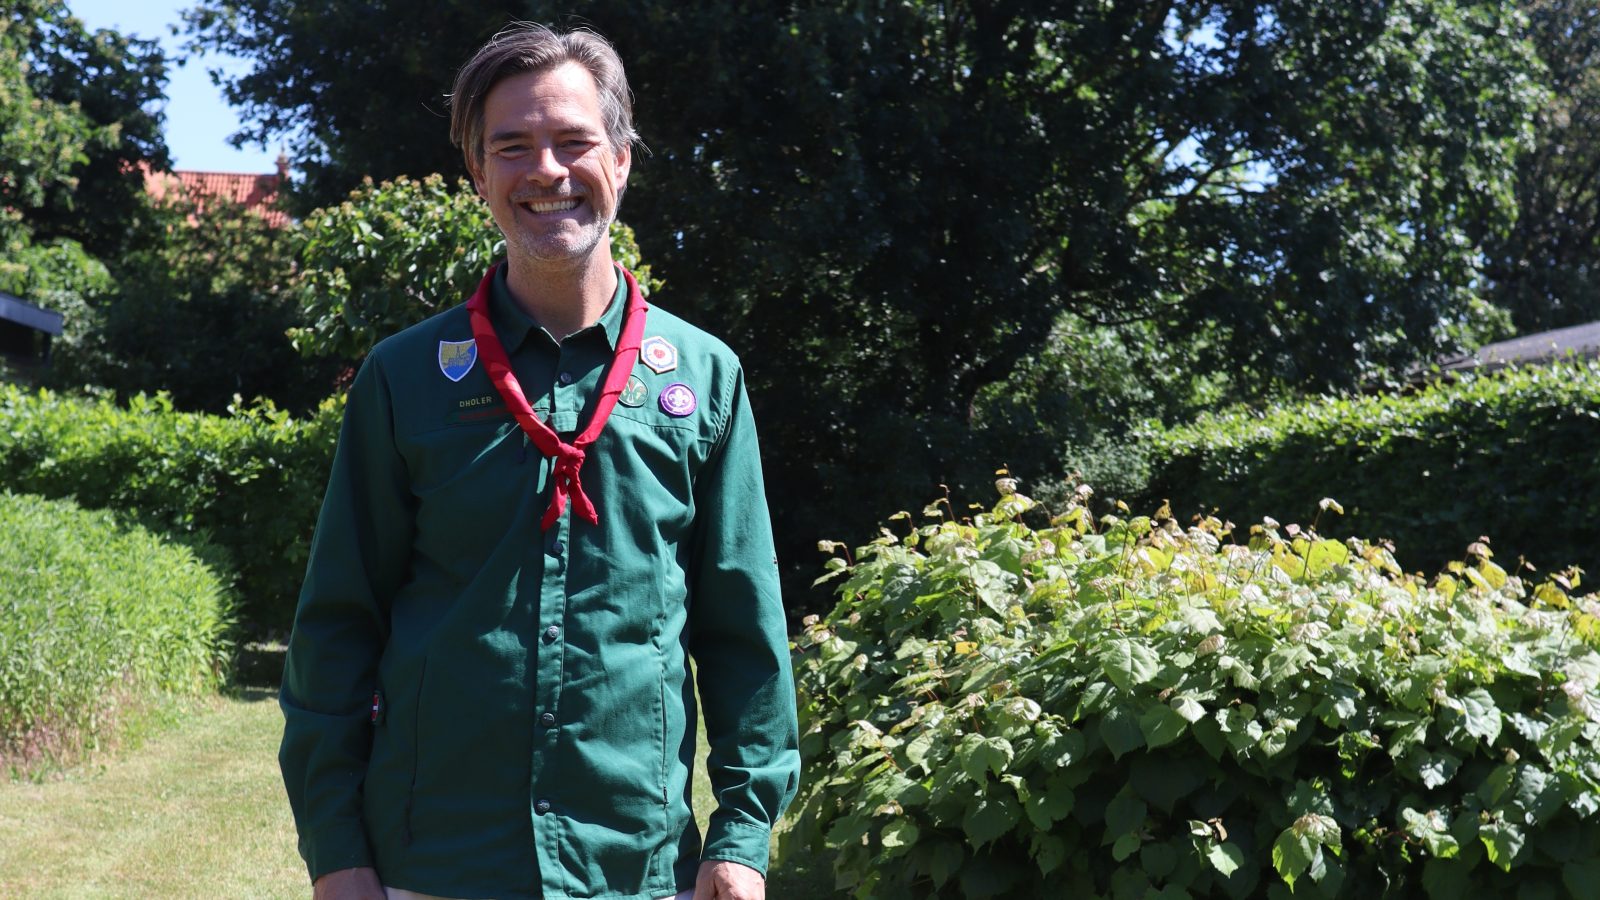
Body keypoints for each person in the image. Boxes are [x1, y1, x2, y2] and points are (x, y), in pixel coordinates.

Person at [278, 23, 799, 900]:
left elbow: (743, 634)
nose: (546, 170)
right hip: (436, 864)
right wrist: (336, 850)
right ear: (478, 173)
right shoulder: (404, 377)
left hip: (634, 867)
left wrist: (742, 838)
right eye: (512, 146)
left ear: (622, 159)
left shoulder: (705, 377)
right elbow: (337, 626)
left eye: (573, 141)